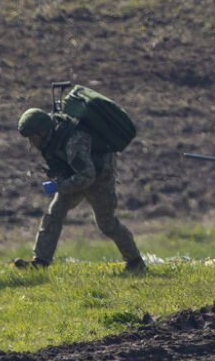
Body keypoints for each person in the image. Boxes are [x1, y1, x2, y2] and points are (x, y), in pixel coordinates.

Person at [14, 108, 145, 272]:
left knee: (107, 223)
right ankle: (40, 261)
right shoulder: (52, 137)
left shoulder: (74, 142)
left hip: (99, 177)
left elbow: (86, 177)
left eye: (32, 137)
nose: (31, 143)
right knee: (54, 214)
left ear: (42, 131)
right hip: (75, 175)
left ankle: (135, 261)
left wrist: (59, 186)